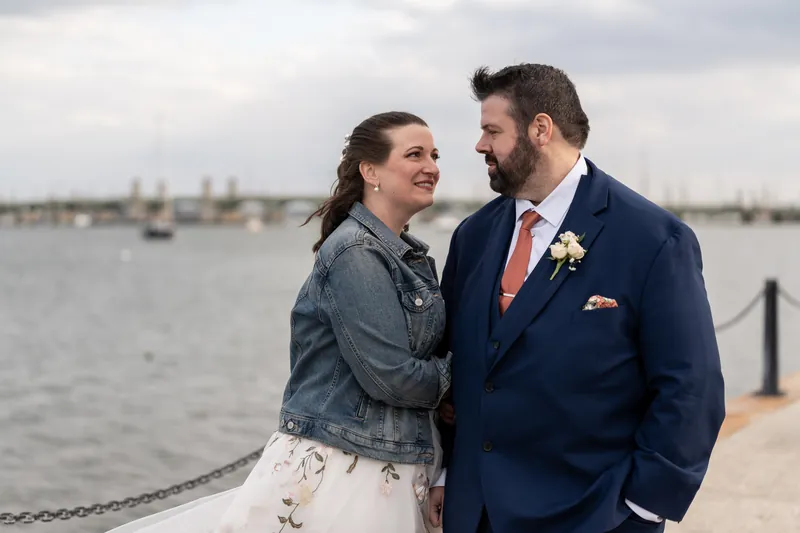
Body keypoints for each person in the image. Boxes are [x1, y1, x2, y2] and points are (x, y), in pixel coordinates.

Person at [106, 111, 451, 533]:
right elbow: (391, 377)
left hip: (393, 462)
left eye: (434, 155)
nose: (431, 166)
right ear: (370, 170)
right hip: (348, 471)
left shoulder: (407, 255)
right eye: (415, 154)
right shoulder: (355, 254)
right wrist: (463, 376)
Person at [426, 64, 726, 533]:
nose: (480, 145)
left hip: (594, 514)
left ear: (540, 129)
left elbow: (691, 386)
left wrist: (645, 504)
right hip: (475, 513)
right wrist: (447, 472)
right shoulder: (473, 236)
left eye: (492, 130)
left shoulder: (652, 239)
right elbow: (454, 365)